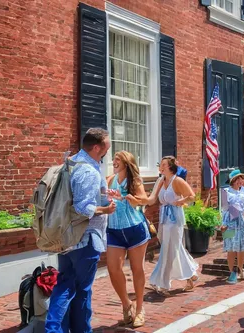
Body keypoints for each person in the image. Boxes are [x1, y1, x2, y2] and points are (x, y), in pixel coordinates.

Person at [46, 128, 115, 333]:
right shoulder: (88, 171)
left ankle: (63, 329)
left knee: (66, 283)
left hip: (66, 237)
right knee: (78, 290)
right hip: (84, 238)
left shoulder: (72, 163)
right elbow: (83, 209)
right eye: (106, 146)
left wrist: (104, 194)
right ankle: (61, 330)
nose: (108, 149)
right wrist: (106, 208)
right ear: (96, 147)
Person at [105, 151, 150, 327]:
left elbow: (144, 200)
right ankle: (126, 304)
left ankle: (139, 310)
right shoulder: (110, 179)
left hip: (135, 230)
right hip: (114, 230)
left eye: (118, 160)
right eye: (114, 159)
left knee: (136, 269)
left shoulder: (135, 181)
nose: (114, 162)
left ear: (127, 163)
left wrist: (133, 199)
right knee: (113, 268)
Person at [147, 156, 199, 295]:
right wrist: (138, 202)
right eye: (160, 164)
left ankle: (163, 284)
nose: (161, 166)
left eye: (163, 164)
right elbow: (152, 199)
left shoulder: (177, 181)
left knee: (168, 250)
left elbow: (192, 196)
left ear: (170, 167)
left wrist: (180, 201)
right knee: (174, 249)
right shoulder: (160, 180)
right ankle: (190, 276)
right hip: (164, 218)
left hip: (175, 219)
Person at [220, 170, 244, 284]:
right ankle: (232, 272)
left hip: (241, 222)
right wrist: (224, 224)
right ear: (232, 180)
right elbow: (224, 208)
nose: (240, 181)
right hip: (229, 221)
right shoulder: (225, 191)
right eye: (237, 179)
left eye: (241, 178)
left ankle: (241, 270)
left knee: (241, 247)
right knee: (231, 248)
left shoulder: (243, 190)